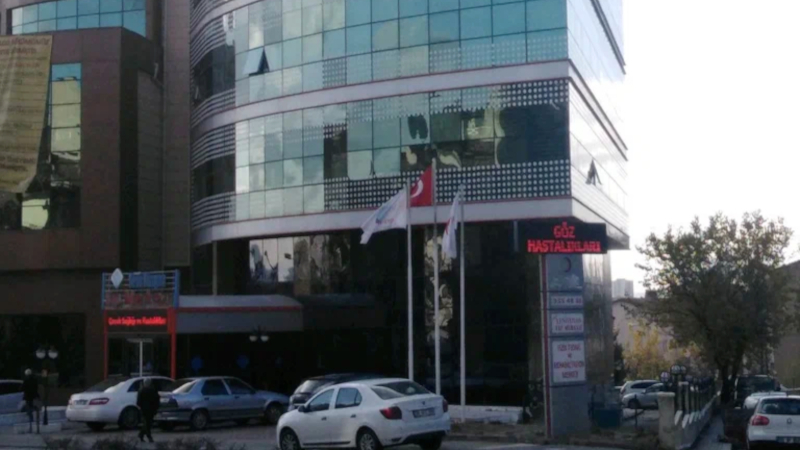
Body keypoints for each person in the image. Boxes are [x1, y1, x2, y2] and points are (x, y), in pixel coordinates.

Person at [136, 378, 160, 443]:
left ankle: (142, 434)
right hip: (151, 409)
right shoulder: (153, 390)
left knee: (147, 423)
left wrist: (141, 407)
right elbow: (157, 400)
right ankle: (148, 436)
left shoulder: (141, 390)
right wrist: (156, 408)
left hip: (144, 409)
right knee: (148, 423)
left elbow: (138, 402)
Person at [22, 369, 39, 433]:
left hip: (28, 397)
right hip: (34, 396)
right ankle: (35, 425)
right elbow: (36, 387)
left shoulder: (26, 380)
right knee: (34, 408)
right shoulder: (34, 380)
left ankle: (31, 421)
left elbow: (23, 387)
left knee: (29, 409)